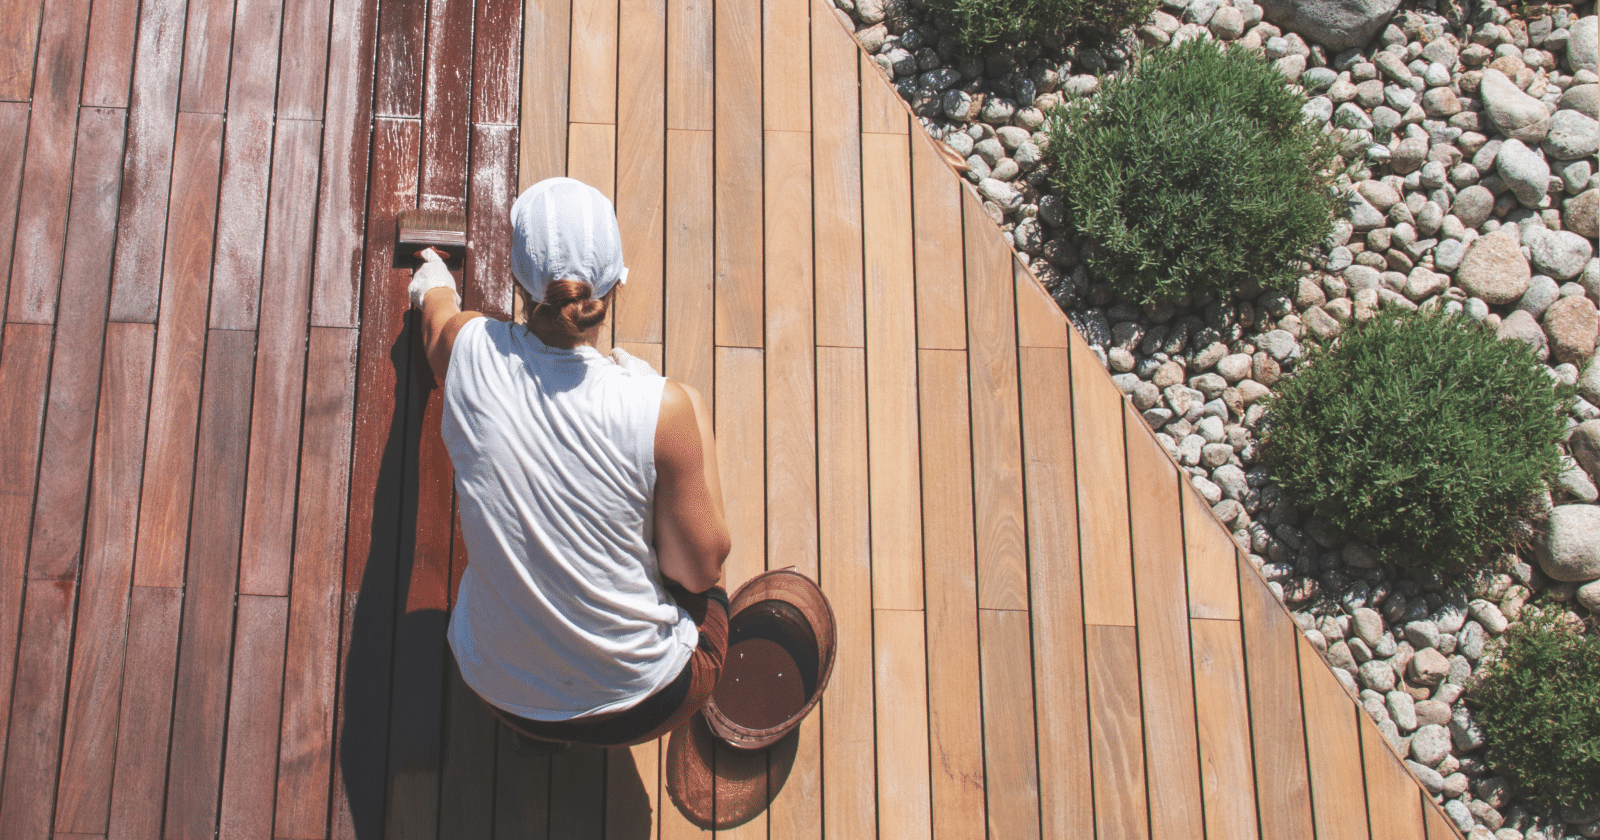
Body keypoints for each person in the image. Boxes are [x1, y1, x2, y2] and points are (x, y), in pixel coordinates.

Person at [407, 177, 732, 749]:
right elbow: (700, 571)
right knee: (703, 549)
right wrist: (686, 414)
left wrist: (432, 271)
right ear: (614, 285)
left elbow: (435, 319)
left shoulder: (469, 352)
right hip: (647, 700)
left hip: (499, 690)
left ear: (518, 283)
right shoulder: (660, 406)